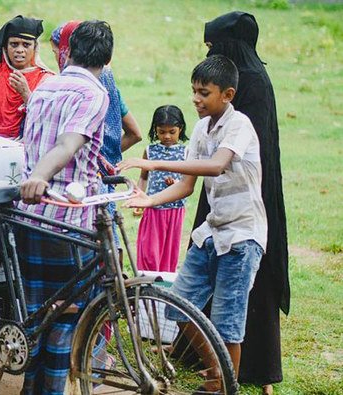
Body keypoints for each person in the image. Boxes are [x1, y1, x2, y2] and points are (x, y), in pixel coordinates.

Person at [118, 55, 267, 392]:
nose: (196, 99)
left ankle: (223, 387)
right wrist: (150, 200)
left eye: (204, 93)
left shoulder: (239, 125)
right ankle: (218, 375)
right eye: (194, 91)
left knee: (228, 326)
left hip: (242, 237)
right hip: (212, 232)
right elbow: (186, 186)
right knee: (178, 308)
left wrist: (152, 163)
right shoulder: (201, 128)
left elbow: (215, 166)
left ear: (227, 95)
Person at [197, 12, 290, 395]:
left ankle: (254, 367)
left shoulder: (250, 83)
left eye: (215, 48)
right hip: (221, 187)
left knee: (248, 283)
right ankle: (205, 353)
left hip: (248, 197)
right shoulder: (242, 80)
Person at [18, 20, 113, 394]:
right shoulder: (95, 93)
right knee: (68, 315)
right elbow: (67, 145)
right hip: (67, 219)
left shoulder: (45, 86)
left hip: (29, 216)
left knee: (40, 314)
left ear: (67, 52)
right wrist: (39, 178)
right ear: (107, 58)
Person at [50, 20, 142, 249]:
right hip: (105, 178)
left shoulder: (73, 89)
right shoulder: (108, 82)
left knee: (91, 247)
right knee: (111, 245)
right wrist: (106, 159)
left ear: (67, 51)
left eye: (56, 53)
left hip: (82, 184)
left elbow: (65, 143)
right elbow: (135, 133)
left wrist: (93, 157)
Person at [135, 105, 188, 272]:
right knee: (149, 252)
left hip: (175, 209)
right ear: (155, 130)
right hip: (154, 209)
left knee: (169, 252)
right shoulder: (150, 151)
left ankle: (163, 287)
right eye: (161, 131)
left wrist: (176, 185)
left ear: (180, 129)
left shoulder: (185, 152)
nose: (166, 136)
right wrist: (139, 197)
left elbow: (187, 182)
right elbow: (143, 177)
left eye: (172, 132)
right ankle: (146, 283)